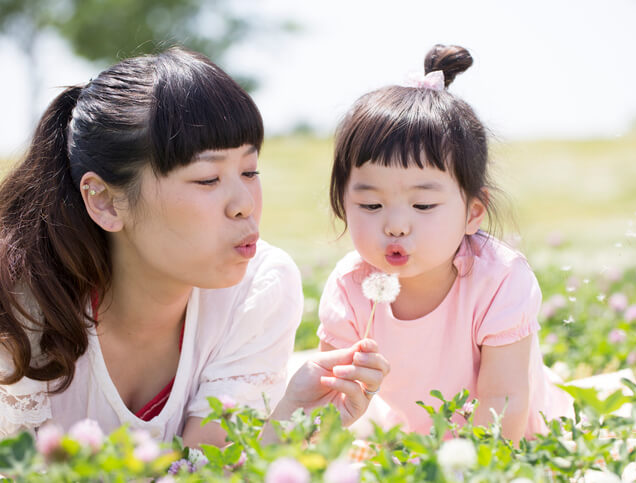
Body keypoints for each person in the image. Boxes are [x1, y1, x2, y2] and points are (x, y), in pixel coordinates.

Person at [0, 47, 389, 447]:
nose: (244, 205)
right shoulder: (17, 307)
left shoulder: (258, 288)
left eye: (249, 171)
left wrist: (289, 418)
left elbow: (203, 469)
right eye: (207, 179)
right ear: (104, 200)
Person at [317, 44, 572, 442]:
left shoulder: (499, 279)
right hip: (417, 444)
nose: (397, 225)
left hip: (522, 441)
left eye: (423, 204)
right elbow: (327, 400)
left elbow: (502, 404)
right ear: (342, 204)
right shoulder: (349, 287)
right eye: (370, 204)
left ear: (473, 212)